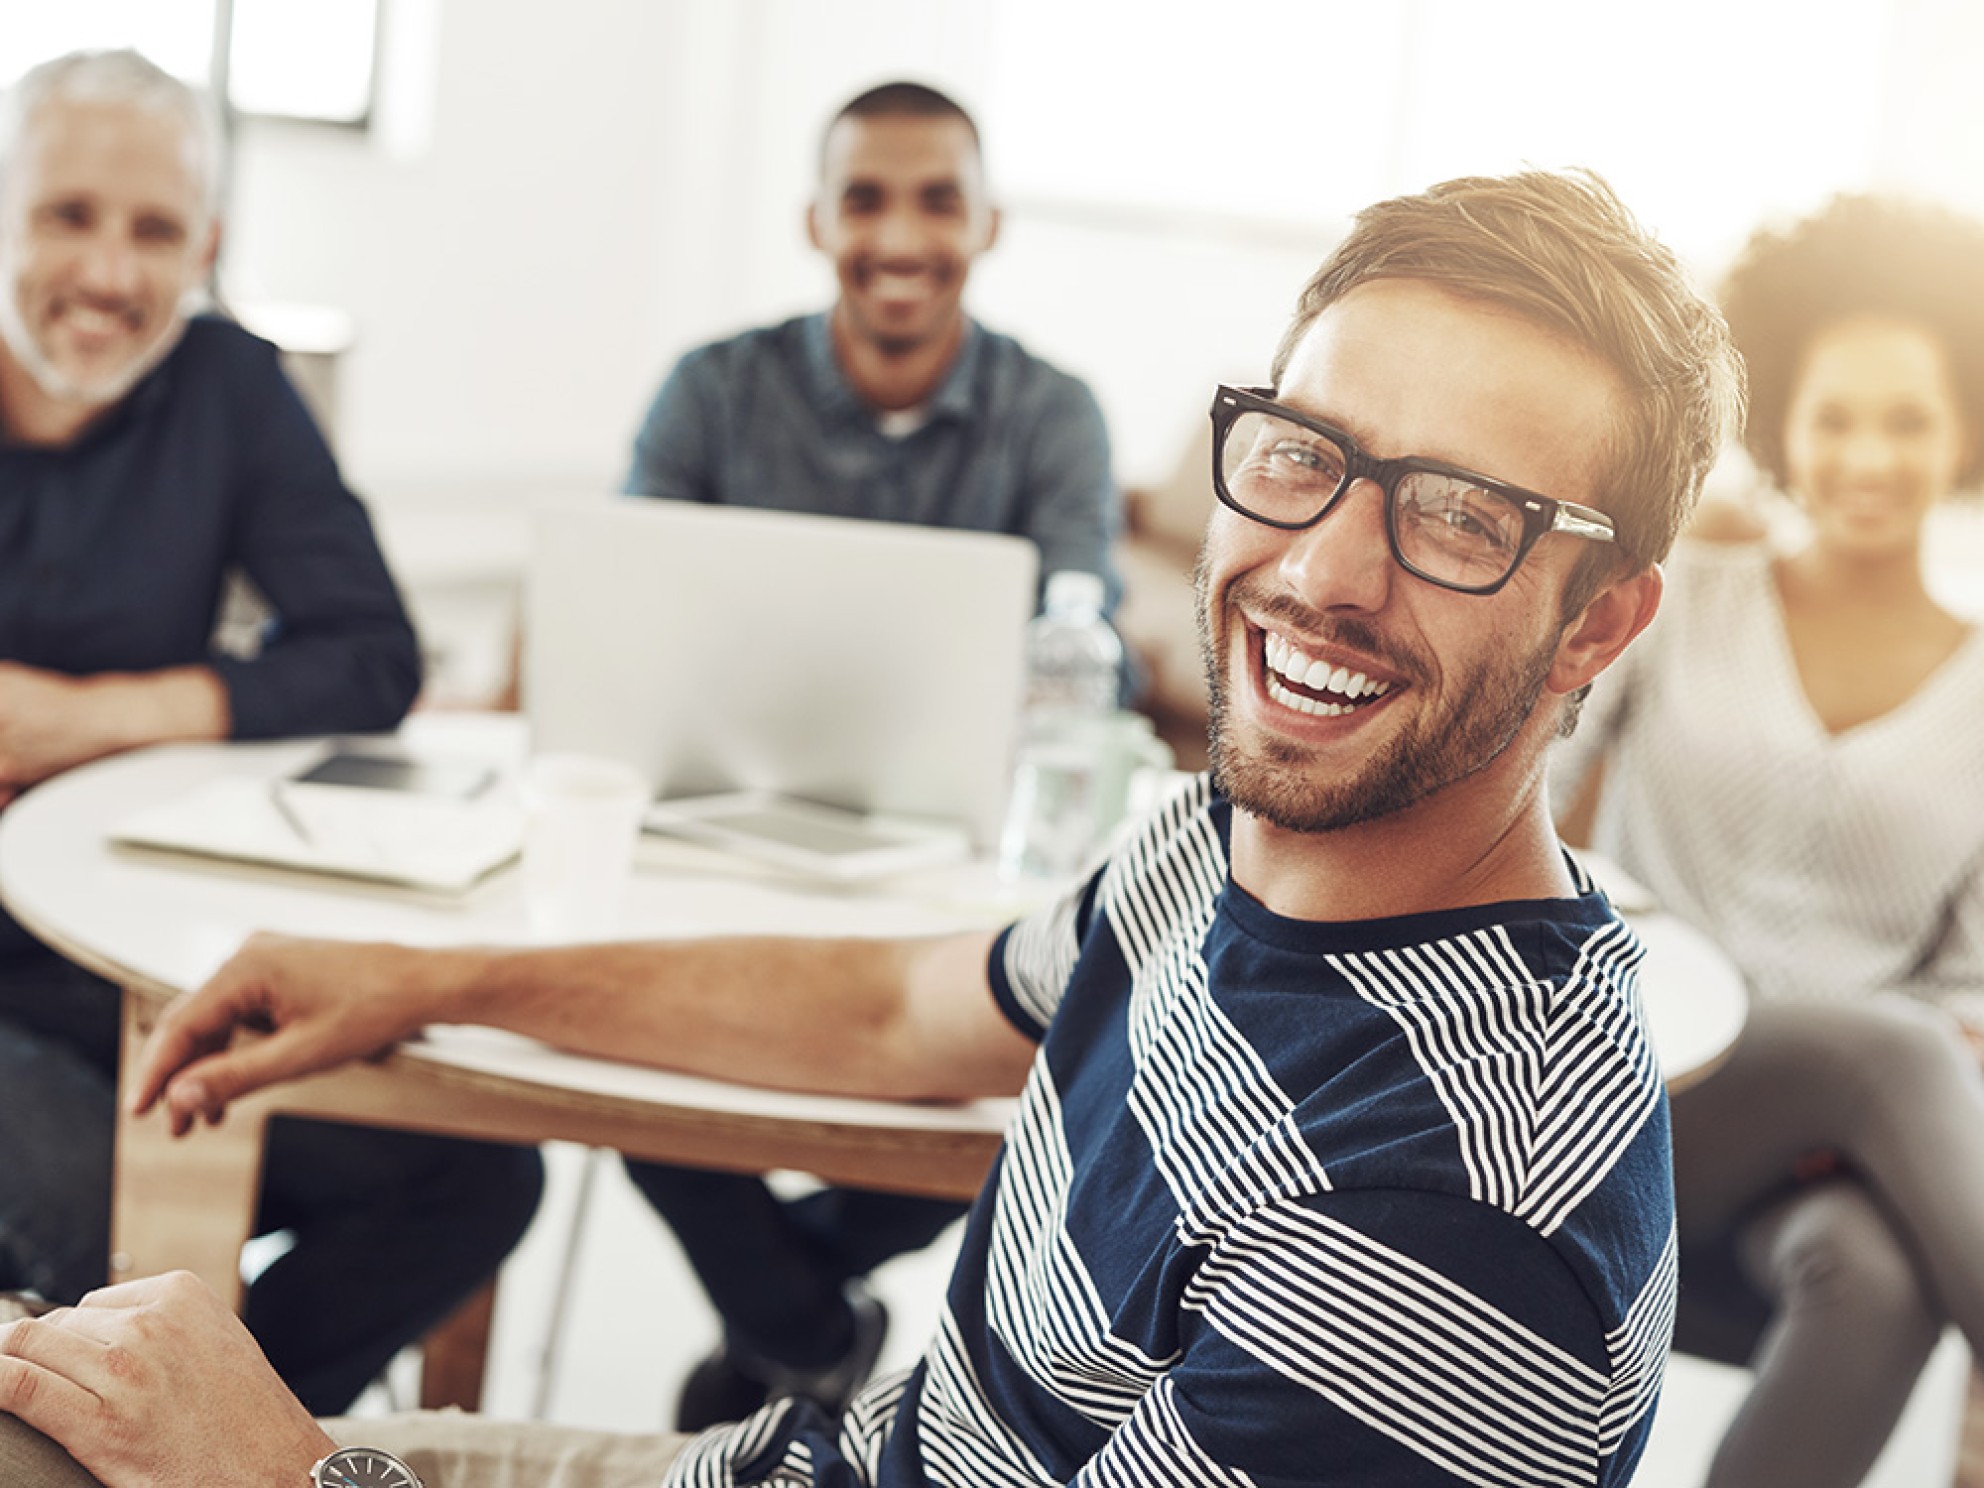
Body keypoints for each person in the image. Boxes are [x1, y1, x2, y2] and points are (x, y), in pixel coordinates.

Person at [0, 166, 1743, 1488]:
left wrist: (302, 1473)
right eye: (1304, 458)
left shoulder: (1464, 1228)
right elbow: (905, 1012)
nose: (1325, 573)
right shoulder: (1227, 838)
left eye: (1460, 520)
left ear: (1602, 620)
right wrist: (426, 977)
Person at [0, 49, 542, 1413]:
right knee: (90, 1230)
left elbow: (373, 653)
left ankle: (221, 1438)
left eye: (156, 232)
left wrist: (86, 720)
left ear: (211, 248)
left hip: (128, 959)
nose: (114, 276)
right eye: (69, 216)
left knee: (469, 1177)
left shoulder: (230, 386)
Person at [618, 79, 1123, 1429]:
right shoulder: (711, 393)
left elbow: (1083, 647)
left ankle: (784, 1331)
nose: (900, 232)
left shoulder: (1053, 414)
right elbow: (623, 614)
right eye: (866, 197)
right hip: (715, 842)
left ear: (989, 223)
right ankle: (807, 1334)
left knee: (1033, 1071)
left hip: (950, 869)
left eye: (936, 198)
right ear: (814, 221)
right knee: (615, 1043)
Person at [1551, 194, 1984, 1488]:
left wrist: (1850, 1094)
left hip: (1841, 1140)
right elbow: (1527, 785)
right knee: (1893, 1053)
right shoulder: (1678, 599)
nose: (1869, 455)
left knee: (1872, 1267)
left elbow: (1967, 995)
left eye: (1907, 418)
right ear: (1783, 420)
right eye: (1836, 414)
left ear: (1964, 426)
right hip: (1625, 1077)